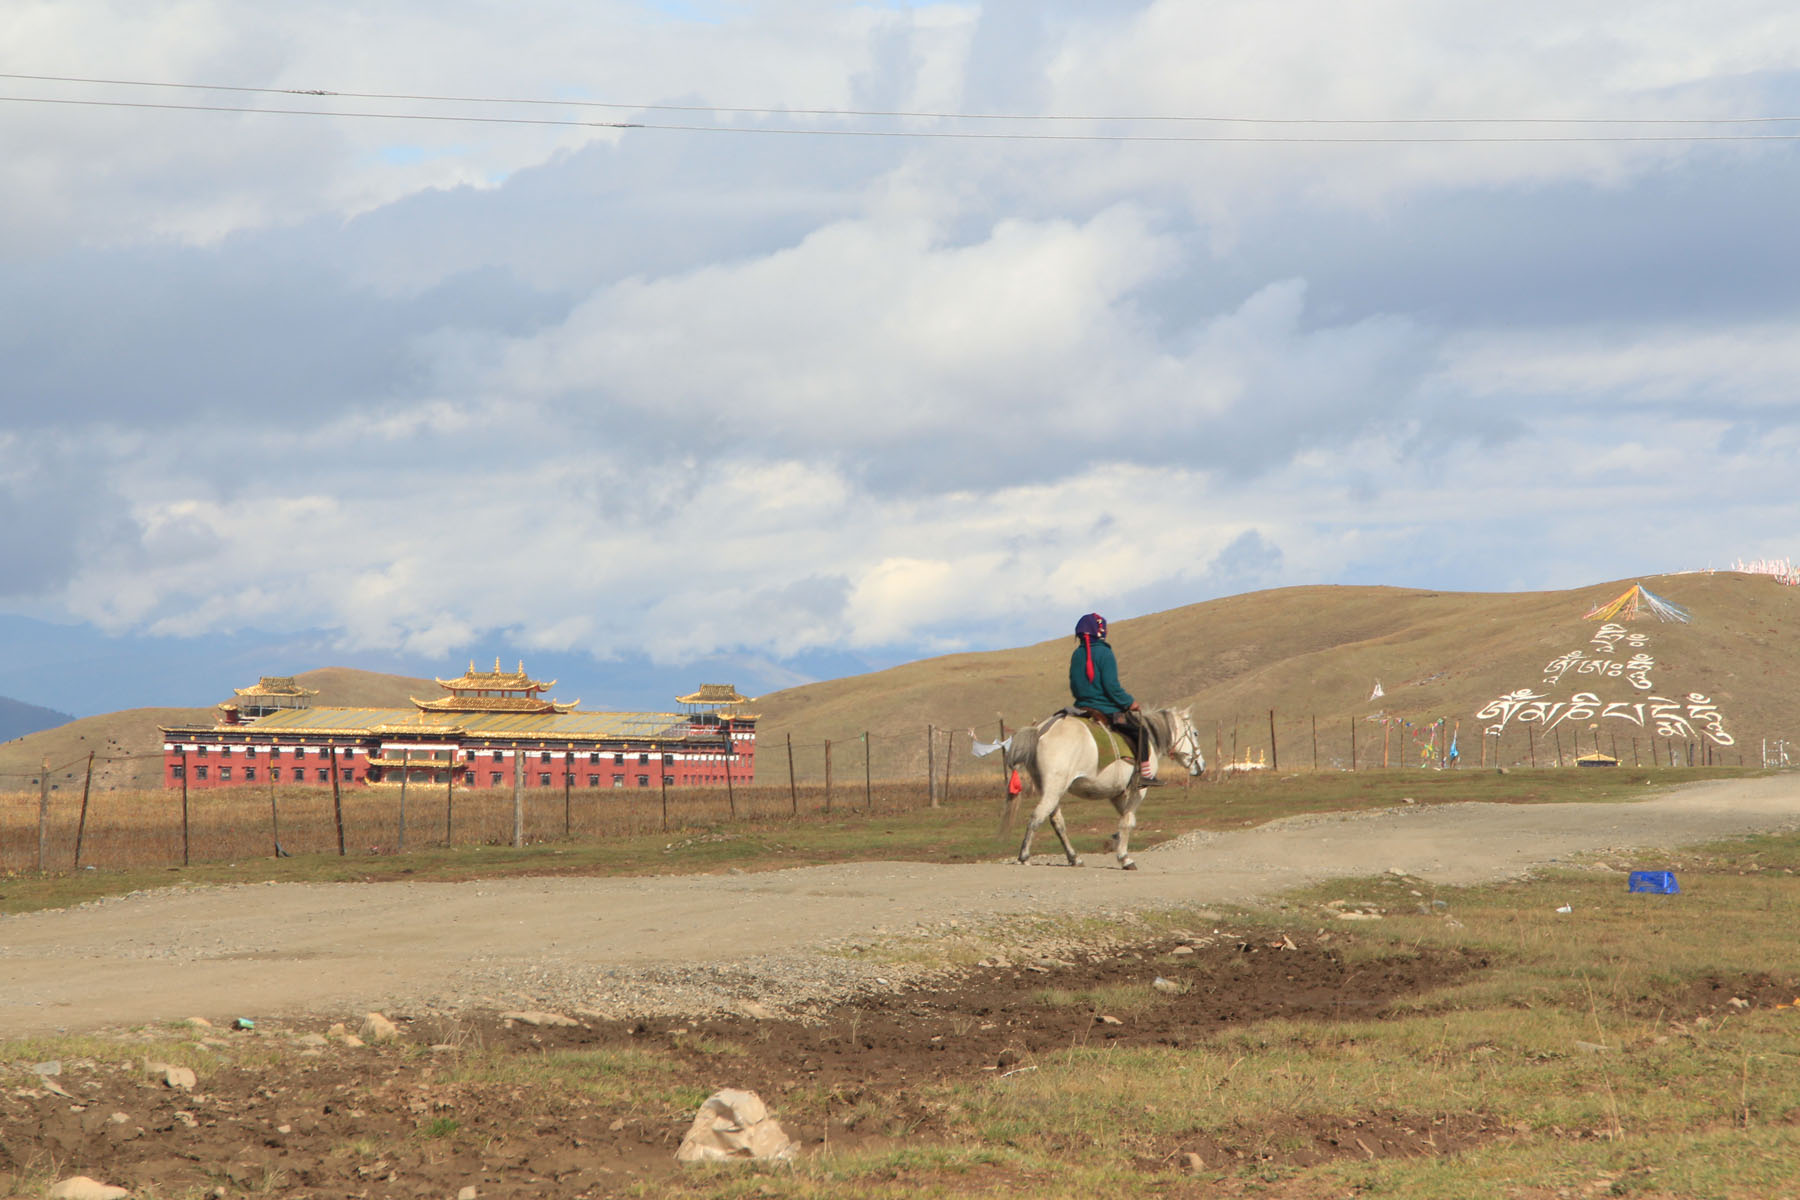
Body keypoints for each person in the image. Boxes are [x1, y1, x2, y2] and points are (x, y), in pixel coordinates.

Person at [1068, 612, 1163, 785]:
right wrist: (1129, 702)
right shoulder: (1105, 654)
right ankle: (1145, 774)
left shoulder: (1076, 654)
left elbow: (1074, 685)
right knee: (1140, 731)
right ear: (1100, 631)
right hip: (1106, 710)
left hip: (1081, 707)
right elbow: (1111, 687)